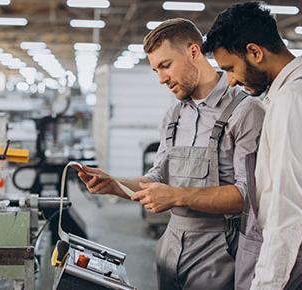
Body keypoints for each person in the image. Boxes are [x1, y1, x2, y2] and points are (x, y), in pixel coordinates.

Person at [76, 18, 264, 290]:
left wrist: (176, 195)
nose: (162, 78)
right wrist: (114, 185)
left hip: (221, 254)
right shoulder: (173, 116)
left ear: (194, 52)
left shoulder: (245, 112)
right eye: (155, 70)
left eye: (165, 65)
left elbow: (247, 197)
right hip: (171, 245)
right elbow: (156, 177)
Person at [202, 2, 302, 290]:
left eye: (230, 68)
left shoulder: (296, 98)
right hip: (292, 250)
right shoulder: (296, 90)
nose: (230, 82)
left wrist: (267, 284)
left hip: (290, 260)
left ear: (255, 52)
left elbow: (286, 207)